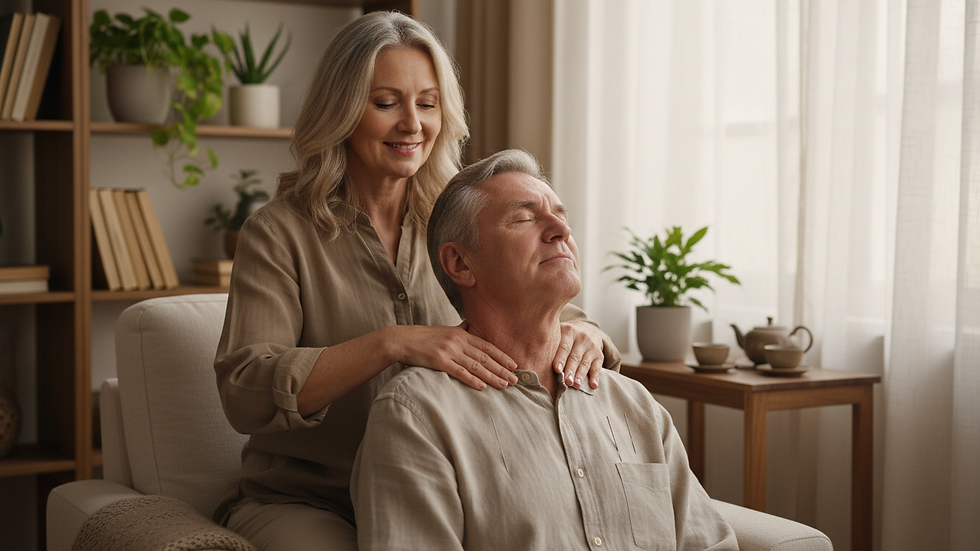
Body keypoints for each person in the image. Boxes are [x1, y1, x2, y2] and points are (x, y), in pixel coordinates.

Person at [212, 12, 620, 551]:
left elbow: (536, 301)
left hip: (450, 488)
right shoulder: (277, 233)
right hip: (312, 501)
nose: (412, 124)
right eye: (386, 103)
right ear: (342, 111)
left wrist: (588, 332)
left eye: (427, 104)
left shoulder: (458, 223)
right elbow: (246, 389)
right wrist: (391, 344)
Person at [351, 149, 738, 551]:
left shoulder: (634, 405)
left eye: (561, 215)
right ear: (461, 264)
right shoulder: (416, 415)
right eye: (523, 218)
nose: (560, 229)